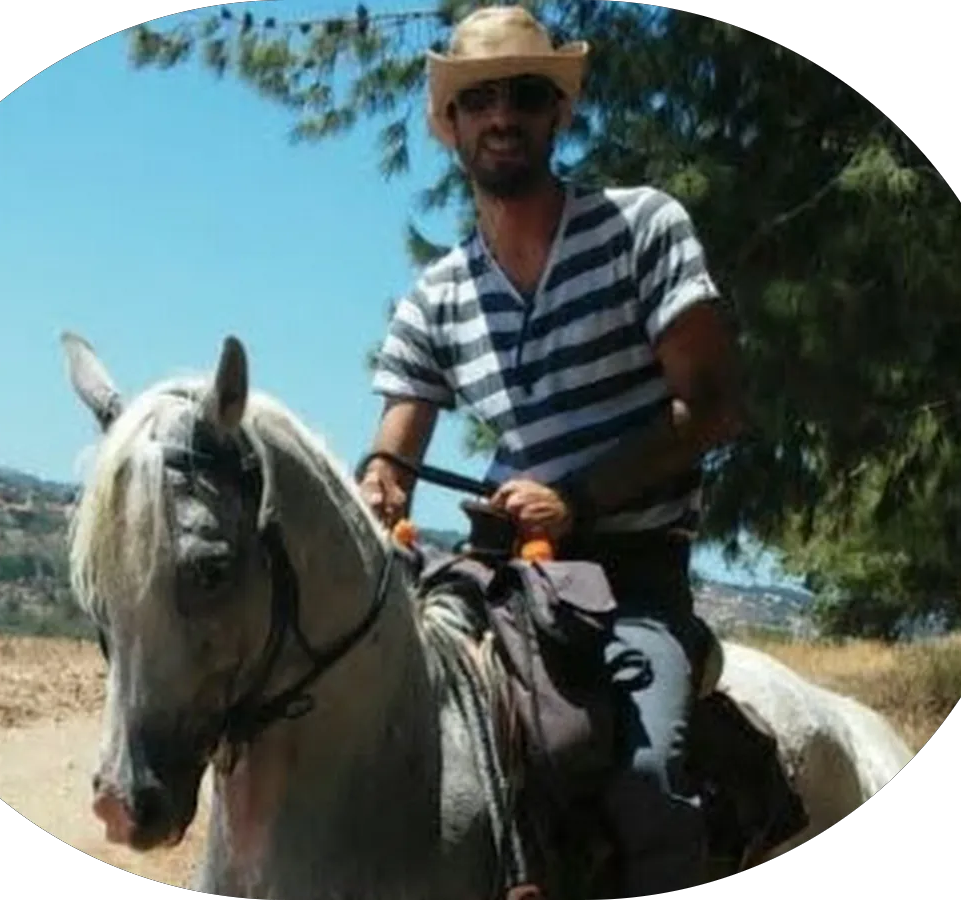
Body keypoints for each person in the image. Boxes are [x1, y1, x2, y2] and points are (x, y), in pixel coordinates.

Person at [357, 5, 746, 896]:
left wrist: (578, 498)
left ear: (558, 114)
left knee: (647, 779)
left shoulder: (642, 227)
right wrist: (380, 486)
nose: (503, 114)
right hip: (499, 573)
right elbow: (393, 457)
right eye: (479, 98)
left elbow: (715, 407)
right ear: (450, 123)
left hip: (633, 572)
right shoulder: (435, 296)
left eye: (526, 94)